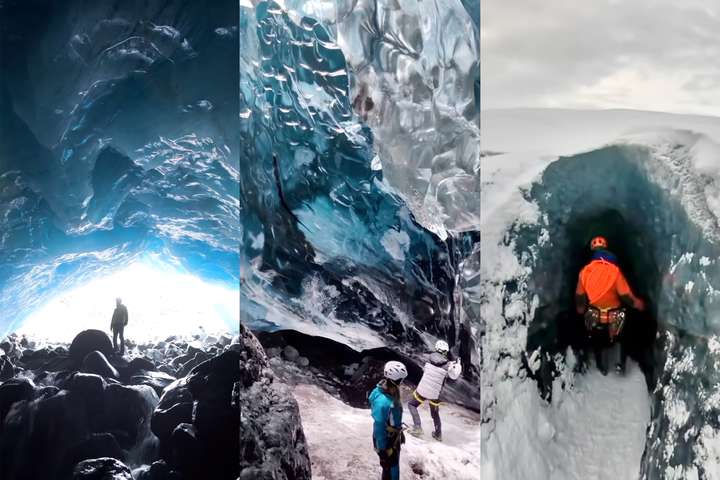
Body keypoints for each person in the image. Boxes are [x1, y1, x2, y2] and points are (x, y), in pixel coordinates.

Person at [575, 236, 645, 375]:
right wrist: (638, 304)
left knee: (595, 336)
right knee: (623, 334)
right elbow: (626, 296)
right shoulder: (615, 271)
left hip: (595, 315)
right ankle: (620, 363)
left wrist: (580, 309)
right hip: (615, 315)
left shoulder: (585, 272)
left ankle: (601, 365)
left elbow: (579, 297)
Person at [406, 340, 462, 441]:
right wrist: (457, 365)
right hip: (435, 394)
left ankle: (418, 427)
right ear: (445, 352)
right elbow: (454, 376)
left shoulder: (428, 358)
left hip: (423, 390)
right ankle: (438, 434)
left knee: (412, 405)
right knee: (435, 413)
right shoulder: (448, 365)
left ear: (436, 349)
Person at [369, 360, 407, 480]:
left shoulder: (384, 392)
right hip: (387, 442)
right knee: (390, 470)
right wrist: (383, 451)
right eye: (401, 380)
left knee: (391, 469)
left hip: (392, 438)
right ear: (396, 381)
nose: (402, 383)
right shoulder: (384, 402)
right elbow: (379, 427)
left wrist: (398, 431)